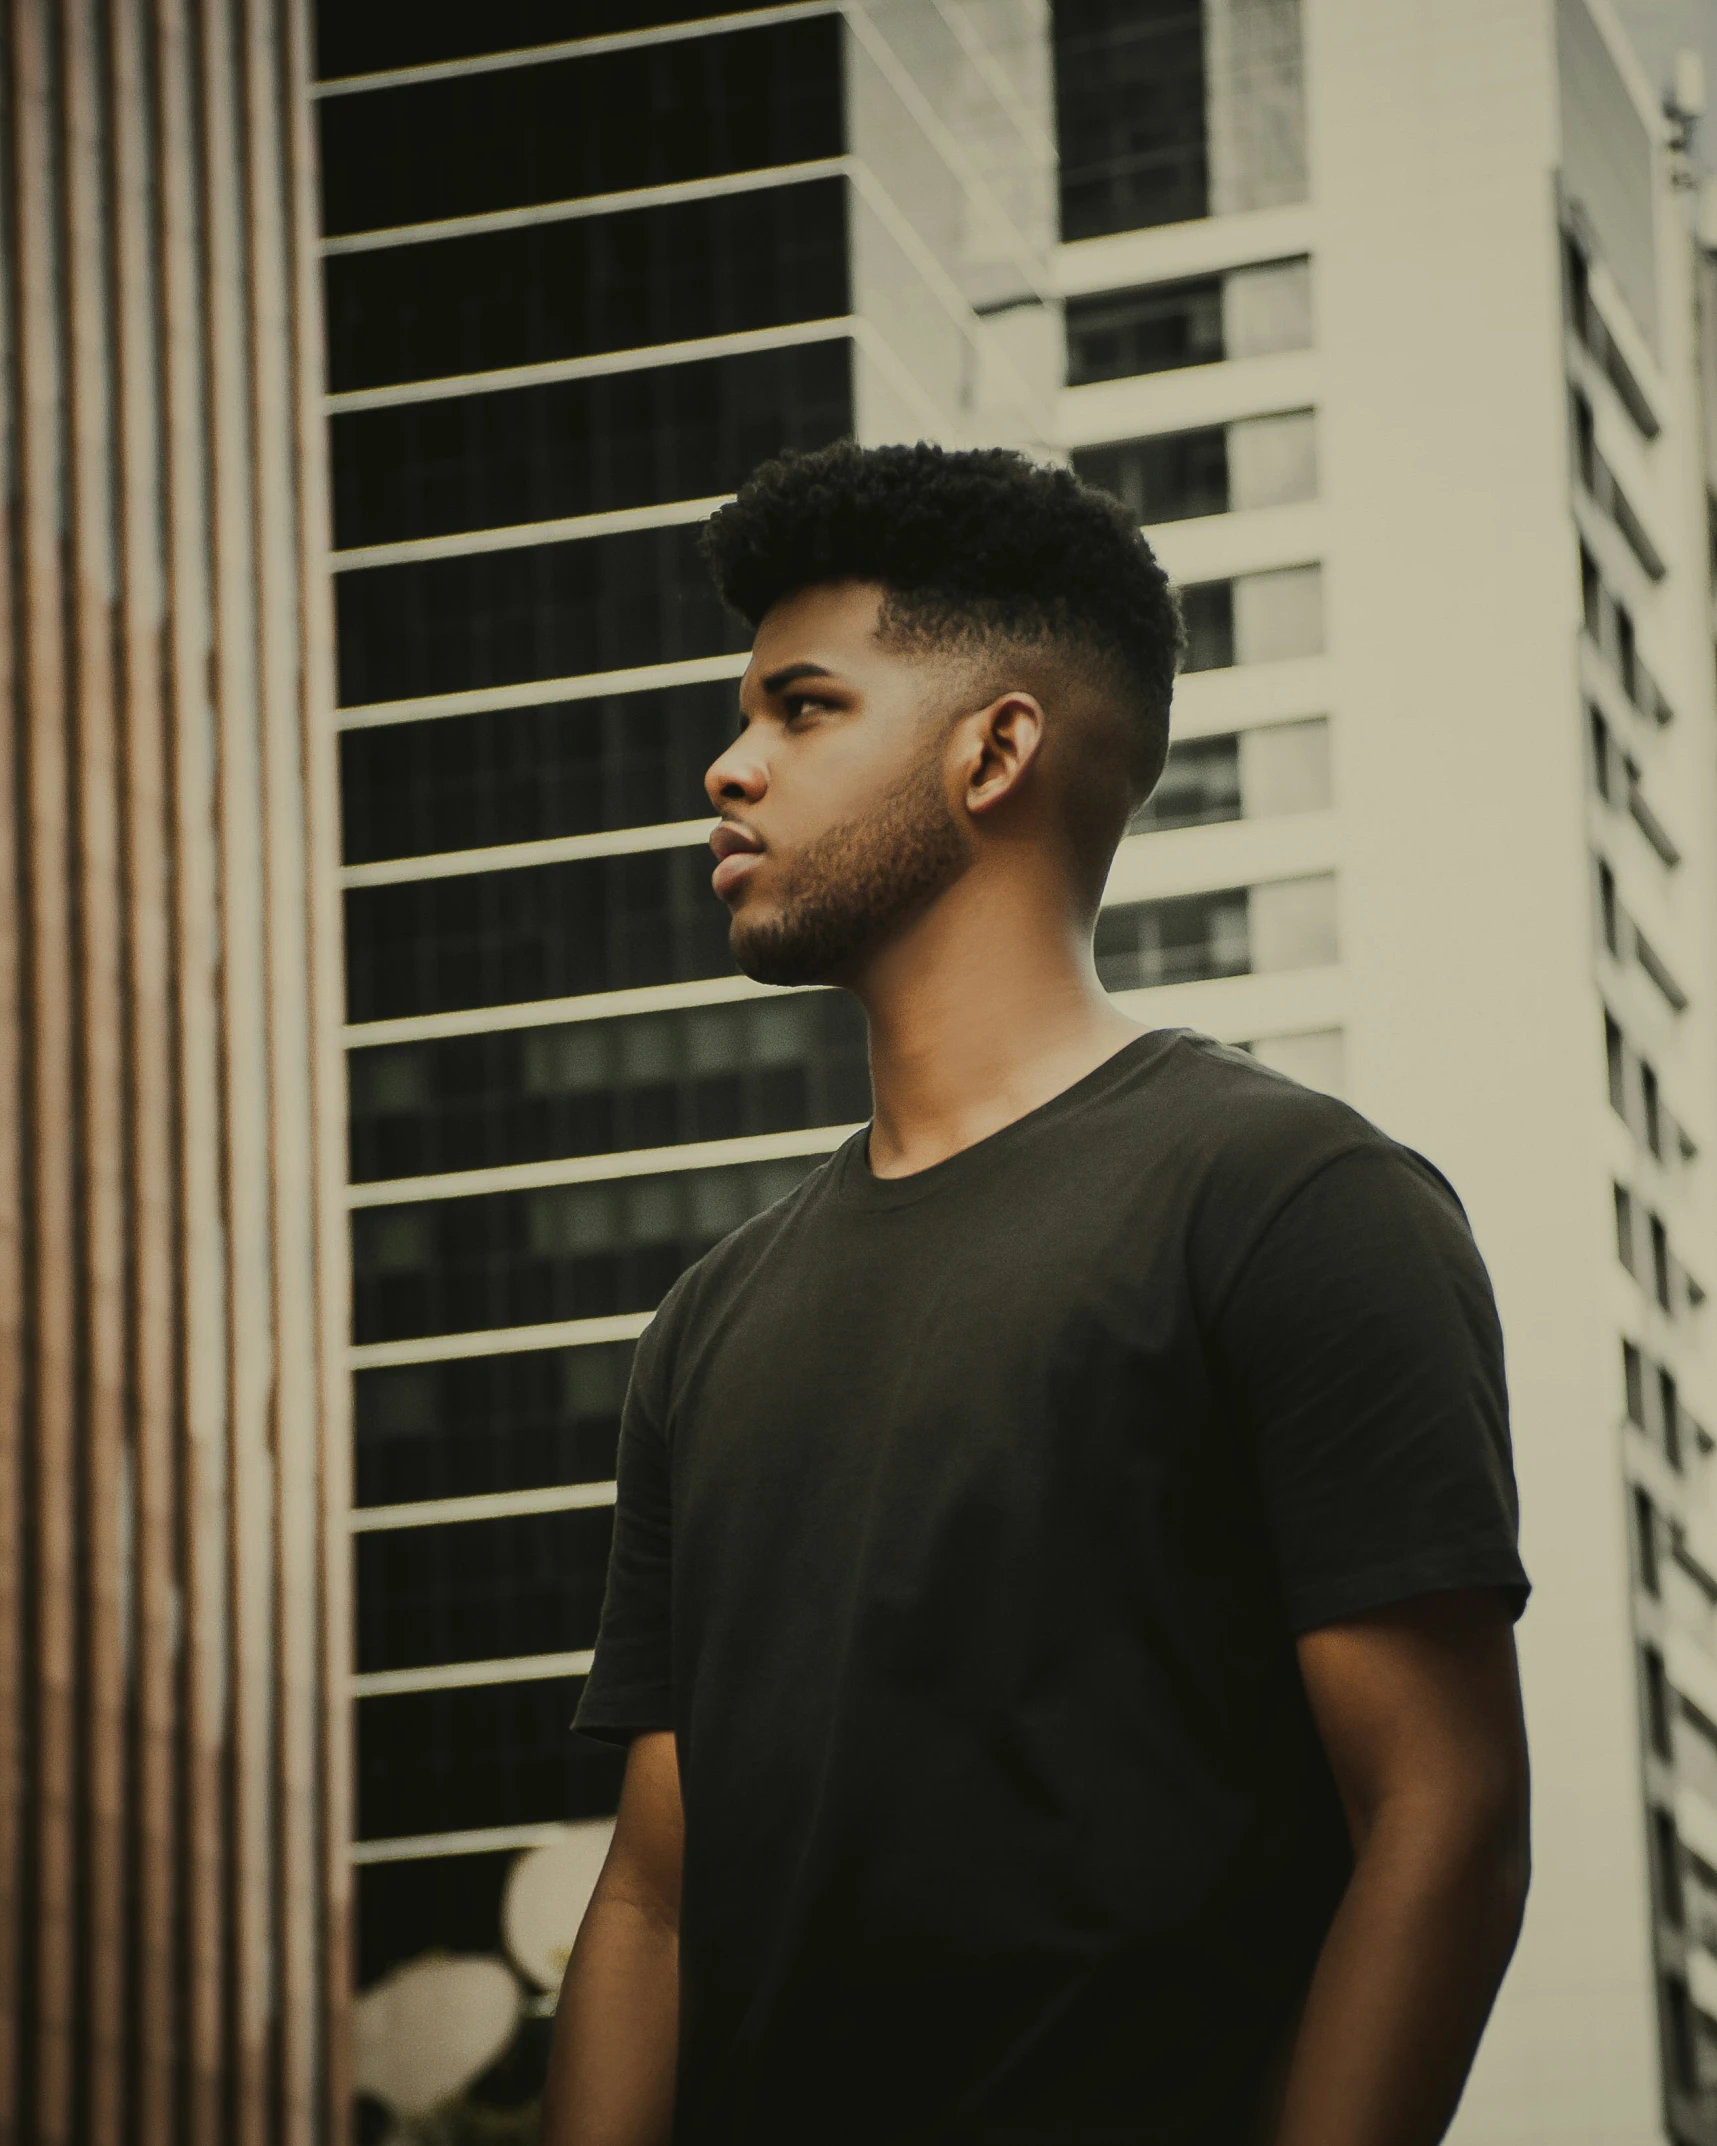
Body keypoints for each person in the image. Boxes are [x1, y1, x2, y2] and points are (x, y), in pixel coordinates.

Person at [541, 442, 1531, 2146]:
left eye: (801, 707)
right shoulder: (705, 1327)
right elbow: (652, 1900)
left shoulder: (1294, 1205)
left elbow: (1441, 1814)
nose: (728, 763)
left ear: (994, 746)